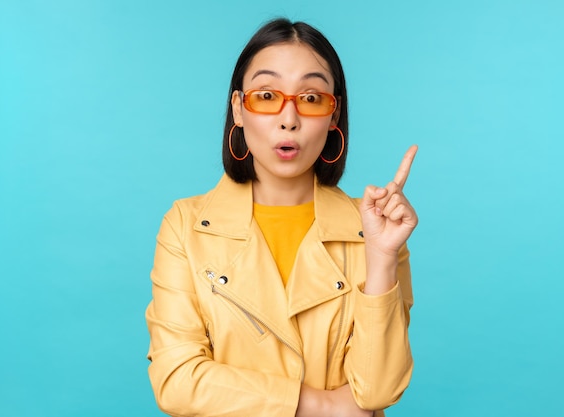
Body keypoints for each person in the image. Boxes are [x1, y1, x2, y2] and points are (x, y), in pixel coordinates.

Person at [145, 17, 418, 417]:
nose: (289, 118)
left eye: (310, 98)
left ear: (333, 116)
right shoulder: (186, 226)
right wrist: (321, 405)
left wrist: (380, 258)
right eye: (267, 95)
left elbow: (378, 389)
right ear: (238, 108)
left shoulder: (374, 231)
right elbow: (176, 379)